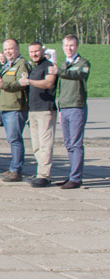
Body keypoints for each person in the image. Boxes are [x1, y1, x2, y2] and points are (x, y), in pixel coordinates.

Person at [19, 41, 58, 187]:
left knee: (45, 144)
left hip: (46, 110)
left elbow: (49, 83)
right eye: (31, 52)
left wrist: (29, 81)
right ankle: (39, 172)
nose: (34, 54)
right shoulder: (34, 68)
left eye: (36, 51)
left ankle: (45, 176)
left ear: (42, 51)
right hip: (33, 110)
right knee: (36, 145)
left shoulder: (48, 66)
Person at [55, 35, 90, 189]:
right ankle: (72, 174)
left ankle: (76, 178)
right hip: (65, 107)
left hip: (77, 106)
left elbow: (80, 75)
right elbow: (61, 88)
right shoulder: (64, 64)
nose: (69, 49)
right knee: (68, 143)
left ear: (77, 47)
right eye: (66, 46)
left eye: (72, 46)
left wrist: (61, 71)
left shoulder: (82, 63)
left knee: (76, 144)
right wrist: (60, 107)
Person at [0, 39, 30, 182]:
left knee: (15, 139)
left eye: (11, 49)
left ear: (18, 49)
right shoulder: (7, 65)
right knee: (11, 139)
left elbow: (22, 83)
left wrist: (3, 85)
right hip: (6, 106)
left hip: (16, 106)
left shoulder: (22, 64)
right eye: (6, 49)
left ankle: (16, 170)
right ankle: (13, 167)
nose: (8, 52)